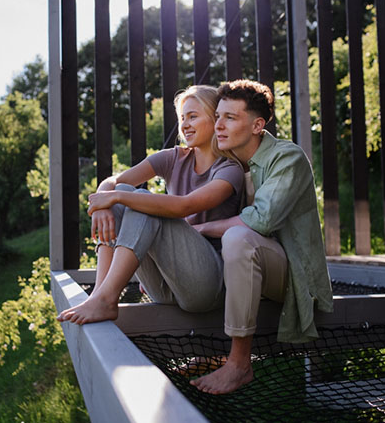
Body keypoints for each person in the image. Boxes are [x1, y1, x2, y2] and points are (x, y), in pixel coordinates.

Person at [189, 79, 333, 395]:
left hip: (291, 275)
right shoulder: (226, 164)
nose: (219, 125)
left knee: (238, 238)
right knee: (228, 243)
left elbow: (261, 220)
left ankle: (239, 364)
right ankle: (213, 351)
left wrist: (201, 230)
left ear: (257, 125)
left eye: (230, 117)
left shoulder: (287, 158)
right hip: (244, 271)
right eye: (218, 116)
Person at [57, 85, 244, 325]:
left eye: (193, 116)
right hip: (166, 286)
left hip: (207, 287)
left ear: (214, 117)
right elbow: (113, 182)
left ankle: (105, 298)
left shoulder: (229, 170)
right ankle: (101, 294)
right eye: (182, 118)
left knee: (141, 202)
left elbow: (183, 206)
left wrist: (116, 197)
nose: (185, 124)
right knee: (124, 192)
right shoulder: (174, 157)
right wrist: (103, 202)